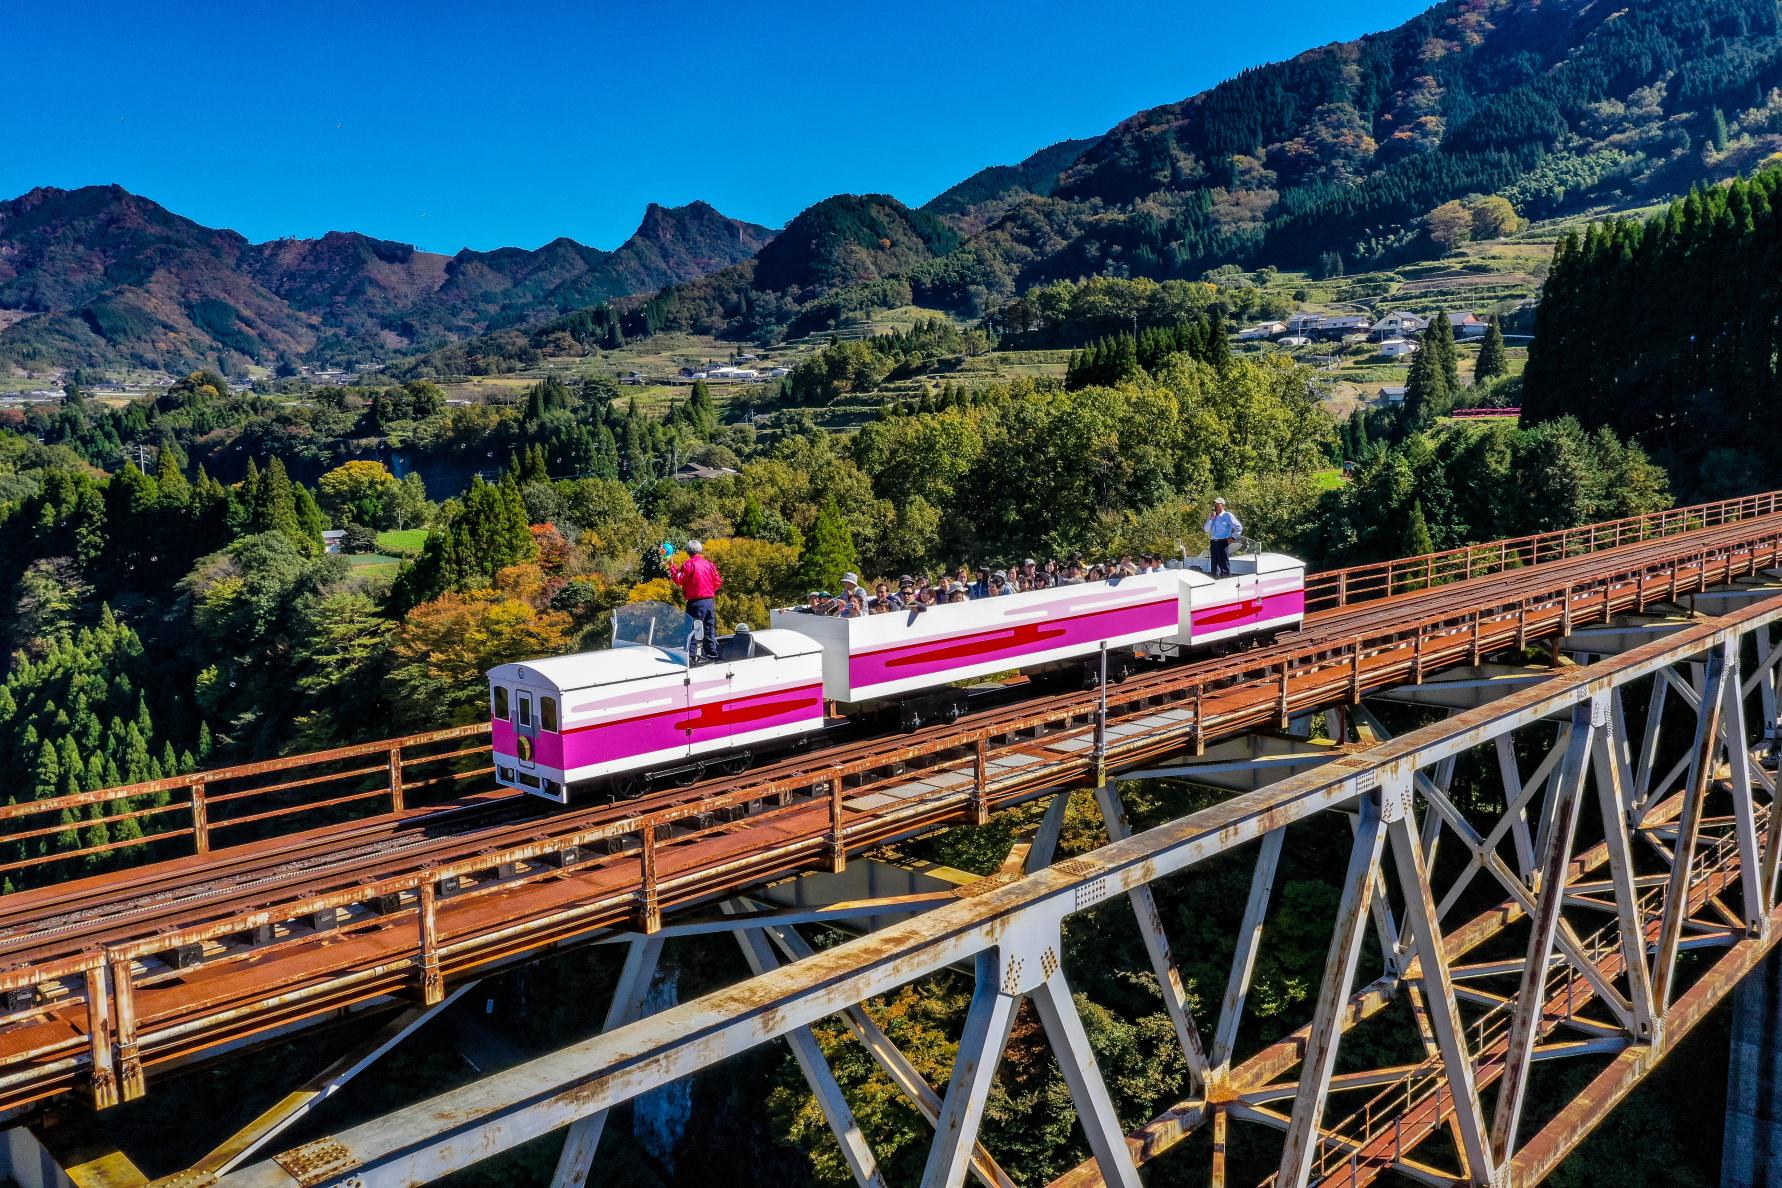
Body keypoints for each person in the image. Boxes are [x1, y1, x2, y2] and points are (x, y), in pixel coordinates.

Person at [667, 539, 723, 663]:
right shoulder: (709, 564)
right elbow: (718, 581)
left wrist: (672, 567)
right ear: (700, 550)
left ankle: (691, 657)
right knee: (709, 629)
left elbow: (679, 579)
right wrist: (708, 589)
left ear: (688, 551)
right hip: (709, 601)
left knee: (692, 630)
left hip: (695, 602)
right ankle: (712, 656)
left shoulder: (688, 564)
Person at [1204, 498, 1243, 579]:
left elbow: (1239, 527)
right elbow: (1206, 529)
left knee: (1224, 566)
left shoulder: (1227, 516)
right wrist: (1211, 518)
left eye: (1218, 504)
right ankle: (1216, 584)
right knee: (1214, 567)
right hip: (1213, 543)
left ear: (1223, 505)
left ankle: (1228, 584)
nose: (1215, 506)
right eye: (1215, 504)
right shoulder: (1212, 516)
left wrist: (1233, 538)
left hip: (1222, 543)